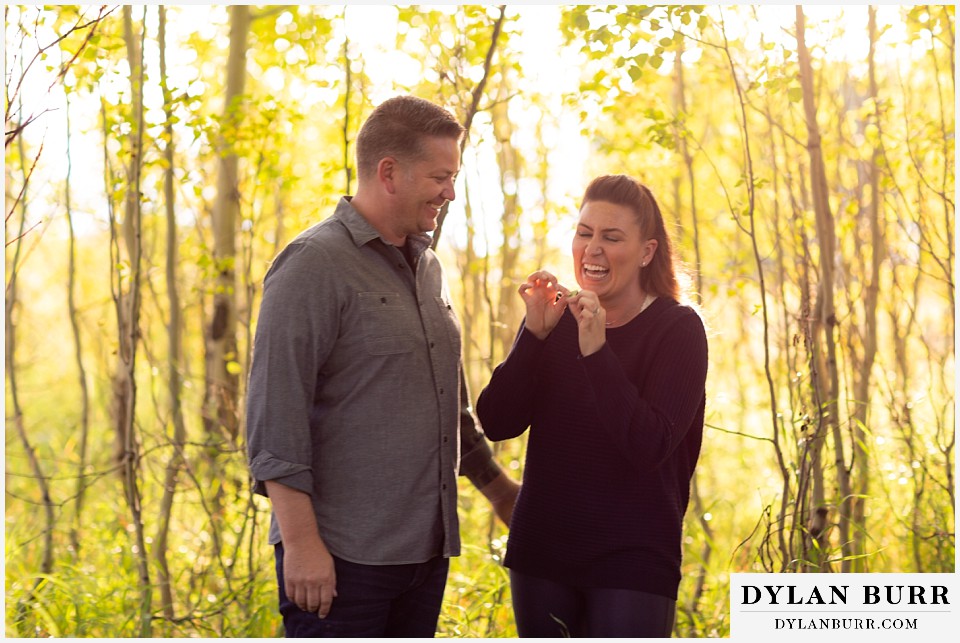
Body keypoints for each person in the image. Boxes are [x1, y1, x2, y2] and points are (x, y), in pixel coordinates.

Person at [245, 95, 519, 638]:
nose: (452, 192)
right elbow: (275, 420)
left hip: (424, 558)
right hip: (342, 562)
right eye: (441, 177)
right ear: (389, 172)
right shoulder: (312, 265)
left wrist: (500, 490)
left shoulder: (428, 266)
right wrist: (300, 546)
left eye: (454, 176)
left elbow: (447, 404)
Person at [476, 174, 708, 638]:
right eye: (584, 233)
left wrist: (597, 352)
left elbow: (649, 444)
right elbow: (497, 421)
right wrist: (534, 337)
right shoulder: (556, 319)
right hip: (541, 553)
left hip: (634, 562)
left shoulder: (678, 330)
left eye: (611, 237)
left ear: (646, 251)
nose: (593, 249)